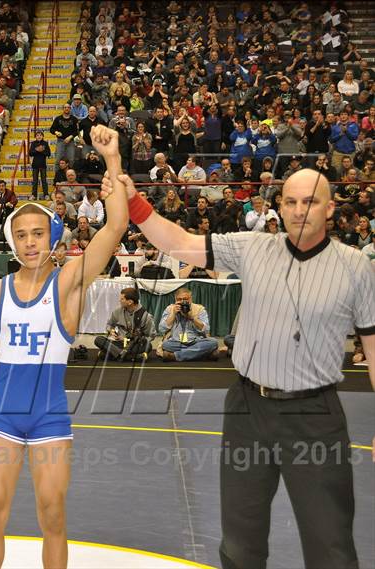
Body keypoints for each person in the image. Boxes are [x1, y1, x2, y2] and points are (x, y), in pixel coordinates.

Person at [101, 166, 375, 569]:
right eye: (292, 202)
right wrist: (134, 202)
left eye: (311, 201)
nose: (300, 211)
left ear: (330, 208)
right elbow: (180, 242)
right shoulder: (253, 247)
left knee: (330, 544)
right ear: (279, 207)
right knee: (239, 545)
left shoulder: (356, 268)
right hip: (248, 410)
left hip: (315, 416)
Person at [0, 125, 128, 569]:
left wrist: (112, 162)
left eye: (37, 233)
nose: (30, 242)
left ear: (52, 237)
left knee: (52, 515)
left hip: (49, 417)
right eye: (22, 235)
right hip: (2, 418)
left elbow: (116, 227)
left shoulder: (68, 283)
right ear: (12, 242)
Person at [94, 287, 156, 361]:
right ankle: (129, 357)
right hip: (119, 343)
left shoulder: (146, 316)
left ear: (130, 302)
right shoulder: (117, 311)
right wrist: (111, 330)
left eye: (122, 299)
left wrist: (139, 340)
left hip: (134, 345)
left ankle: (114, 354)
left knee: (148, 346)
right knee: (98, 339)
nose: (119, 300)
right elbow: (109, 324)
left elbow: (151, 335)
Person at [158, 288, 219, 362]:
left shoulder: (199, 309)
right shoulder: (170, 309)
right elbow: (161, 329)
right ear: (175, 299)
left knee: (213, 342)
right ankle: (200, 353)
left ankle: (175, 356)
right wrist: (173, 314)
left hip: (196, 341)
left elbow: (206, 330)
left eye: (185, 299)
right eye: (179, 299)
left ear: (190, 299)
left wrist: (192, 318)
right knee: (166, 345)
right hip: (176, 342)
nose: (183, 301)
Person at [28, 130, 51, 200]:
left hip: (43, 164)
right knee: (35, 181)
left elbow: (48, 153)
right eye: (37, 135)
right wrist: (37, 150)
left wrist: (42, 150)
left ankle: (46, 194)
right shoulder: (33, 143)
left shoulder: (45, 143)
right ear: (35, 137)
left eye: (40, 135)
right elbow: (30, 153)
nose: (39, 136)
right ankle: (33, 195)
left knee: (44, 180)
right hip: (35, 165)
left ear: (43, 136)